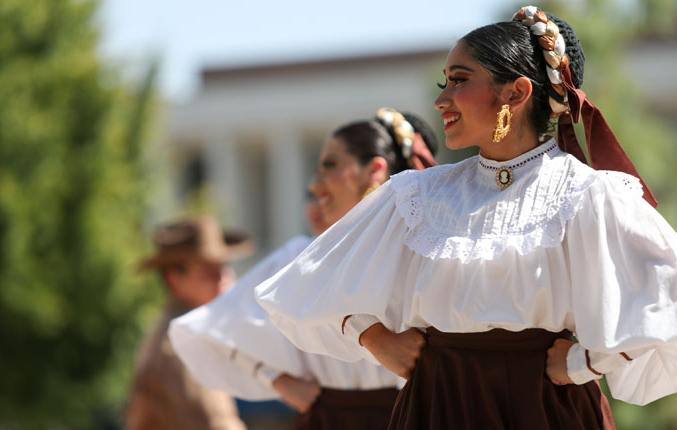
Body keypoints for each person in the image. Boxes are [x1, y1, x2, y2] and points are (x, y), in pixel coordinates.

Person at [255, 6, 677, 430]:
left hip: (546, 407)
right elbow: (306, 282)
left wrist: (586, 362)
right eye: (445, 82)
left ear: (515, 93)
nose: (441, 99)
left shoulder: (587, 194)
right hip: (438, 405)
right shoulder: (417, 194)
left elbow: (667, 300)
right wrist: (375, 338)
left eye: (459, 80)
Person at [169, 108, 438, 429]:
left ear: (375, 172)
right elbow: (206, 330)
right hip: (329, 416)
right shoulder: (303, 257)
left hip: (414, 415)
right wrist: (276, 379)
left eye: (330, 166)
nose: (316, 185)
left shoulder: (426, 255)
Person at [126, 215, 252, 430]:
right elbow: (214, 424)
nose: (223, 277)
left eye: (222, 266)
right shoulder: (181, 343)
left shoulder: (186, 334)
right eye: (208, 270)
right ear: (173, 279)